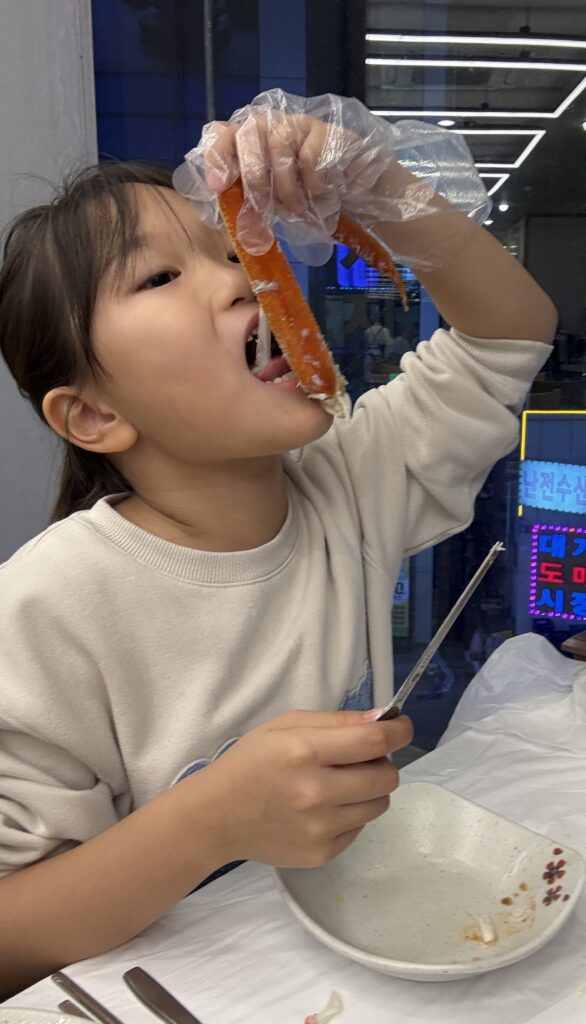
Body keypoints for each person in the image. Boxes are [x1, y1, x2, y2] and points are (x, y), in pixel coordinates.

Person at [0, 100, 556, 996]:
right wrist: (214, 820)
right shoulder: (44, 609)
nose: (243, 280)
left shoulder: (347, 482)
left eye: (233, 249)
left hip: (354, 962)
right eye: (158, 278)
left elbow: (511, 335)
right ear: (94, 414)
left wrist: (378, 188)